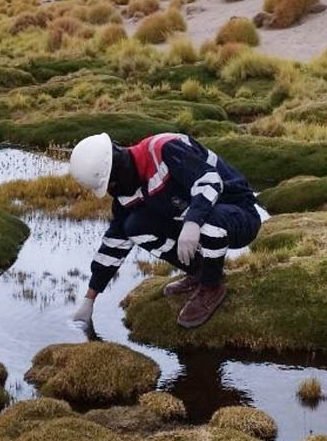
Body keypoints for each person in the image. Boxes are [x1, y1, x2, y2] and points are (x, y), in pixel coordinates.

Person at [67, 132, 268, 328]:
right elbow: (114, 244)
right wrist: (90, 298)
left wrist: (192, 223)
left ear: (119, 167)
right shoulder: (126, 189)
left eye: (111, 184)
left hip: (238, 214)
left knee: (207, 220)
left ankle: (211, 286)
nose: (112, 191)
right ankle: (198, 272)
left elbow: (210, 182)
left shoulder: (165, 149)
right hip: (200, 221)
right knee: (133, 226)